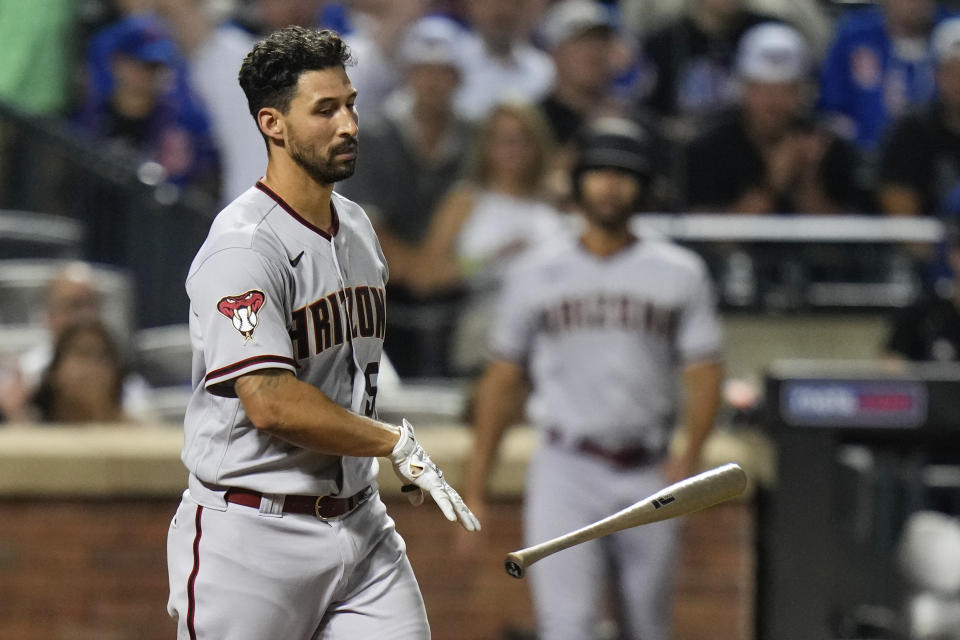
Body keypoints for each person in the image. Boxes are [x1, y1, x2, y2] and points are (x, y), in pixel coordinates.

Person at [165, 27, 479, 640]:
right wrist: (392, 443)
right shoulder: (243, 247)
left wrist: (376, 450)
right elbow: (270, 402)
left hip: (361, 525)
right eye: (325, 109)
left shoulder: (357, 226)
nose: (350, 124)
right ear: (272, 124)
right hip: (252, 534)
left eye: (352, 103)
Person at [461, 117, 724, 640]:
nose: (610, 185)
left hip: (649, 466)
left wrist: (689, 457)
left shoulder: (679, 270)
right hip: (566, 466)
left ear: (644, 185)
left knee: (647, 628)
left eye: (624, 174)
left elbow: (706, 373)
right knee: (567, 626)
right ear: (578, 181)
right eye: (599, 172)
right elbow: (500, 381)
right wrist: (475, 486)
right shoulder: (535, 270)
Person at [396, 102, 568, 376]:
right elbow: (423, 277)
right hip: (485, 325)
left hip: (552, 330)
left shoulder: (555, 204)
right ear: (486, 146)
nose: (515, 149)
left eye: (524, 139)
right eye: (504, 140)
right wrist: (489, 260)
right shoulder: (466, 200)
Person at [685, 22, 864, 214]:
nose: (774, 103)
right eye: (763, 90)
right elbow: (710, 238)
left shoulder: (827, 144)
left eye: (786, 90)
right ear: (742, 89)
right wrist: (773, 183)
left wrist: (807, 182)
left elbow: (844, 238)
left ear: (803, 92)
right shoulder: (709, 148)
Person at [819, 0, 952, 153]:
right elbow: (831, 107)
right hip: (860, 158)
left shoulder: (953, 35)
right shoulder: (854, 36)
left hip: (939, 158)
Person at [641, 0, 776, 138]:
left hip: (753, 146)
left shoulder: (772, 33)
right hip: (684, 148)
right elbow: (646, 113)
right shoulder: (662, 44)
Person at [879, 17, 960, 217]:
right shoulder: (912, 131)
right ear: (936, 75)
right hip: (933, 243)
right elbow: (900, 209)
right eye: (952, 71)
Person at [536, 0, 623, 146]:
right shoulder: (536, 123)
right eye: (581, 41)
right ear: (554, 52)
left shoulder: (630, 120)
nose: (594, 52)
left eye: (602, 41)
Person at [454, 0, 556, 121]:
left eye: (512, 3)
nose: (502, 11)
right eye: (492, 3)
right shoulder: (454, 62)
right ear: (473, 7)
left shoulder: (543, 71)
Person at [32, 321, 129, 424]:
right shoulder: (26, 431)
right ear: (55, 374)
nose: (93, 366)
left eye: (102, 356)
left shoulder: (138, 433)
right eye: (82, 353)